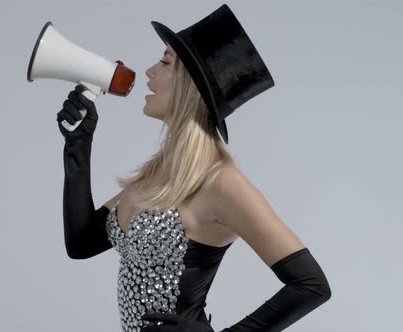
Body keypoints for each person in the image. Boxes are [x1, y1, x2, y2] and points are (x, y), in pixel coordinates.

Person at [57, 4, 331, 332]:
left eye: (164, 61)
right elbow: (81, 242)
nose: (148, 71)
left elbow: (311, 285)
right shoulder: (157, 174)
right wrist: (78, 145)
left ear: (191, 86)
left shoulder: (221, 182)